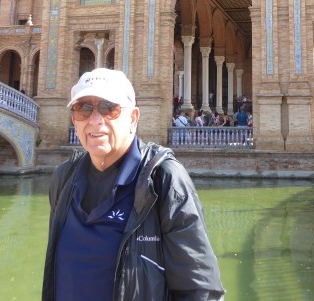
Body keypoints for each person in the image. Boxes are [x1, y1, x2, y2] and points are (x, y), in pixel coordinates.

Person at [42, 68, 224, 300]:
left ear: (133, 118)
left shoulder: (163, 180)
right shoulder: (63, 178)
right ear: (74, 120)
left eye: (109, 108)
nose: (95, 120)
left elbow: (200, 289)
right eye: (83, 108)